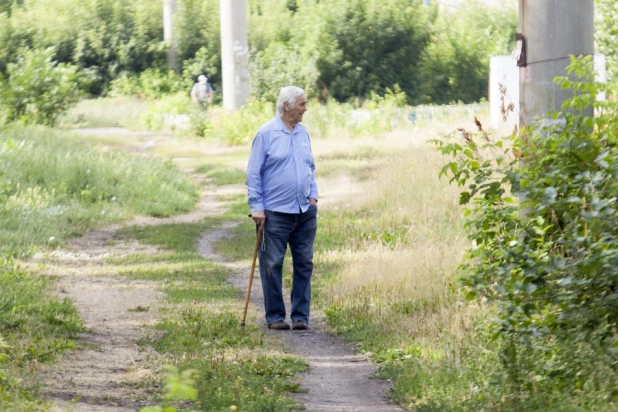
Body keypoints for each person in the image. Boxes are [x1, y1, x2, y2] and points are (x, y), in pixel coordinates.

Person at [245, 86, 318, 331]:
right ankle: (275, 316)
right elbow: (254, 173)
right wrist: (257, 207)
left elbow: (310, 167)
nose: (305, 108)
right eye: (302, 104)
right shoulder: (266, 133)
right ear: (287, 106)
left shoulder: (303, 133)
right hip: (274, 212)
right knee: (272, 263)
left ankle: (300, 316)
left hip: (304, 211)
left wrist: (313, 197)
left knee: (304, 262)